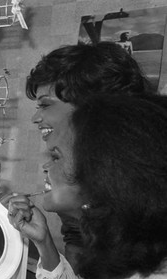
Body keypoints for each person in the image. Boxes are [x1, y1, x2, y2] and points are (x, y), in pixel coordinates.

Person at [4, 94, 167, 279]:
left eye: (56, 156)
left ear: (104, 176)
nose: (46, 167)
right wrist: (43, 243)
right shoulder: (120, 262)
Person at [24, 41, 153, 267]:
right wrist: (44, 241)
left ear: (88, 106)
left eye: (45, 105)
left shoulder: (146, 196)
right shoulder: (77, 192)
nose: (35, 119)